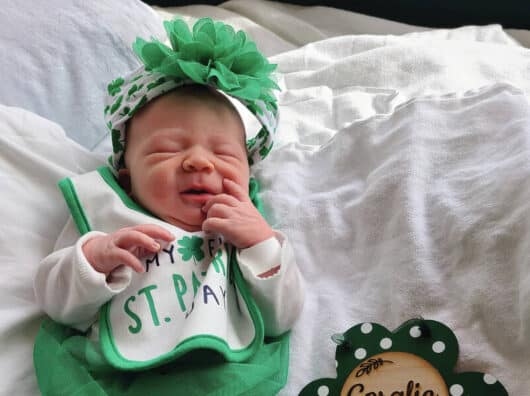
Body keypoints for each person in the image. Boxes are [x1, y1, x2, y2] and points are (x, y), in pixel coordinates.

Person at [33, 17, 303, 396]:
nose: (199, 162)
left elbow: (282, 318)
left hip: (225, 378)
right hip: (112, 378)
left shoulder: (244, 231)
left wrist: (262, 246)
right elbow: (56, 304)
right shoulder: (109, 213)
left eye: (224, 153)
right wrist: (94, 260)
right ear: (126, 177)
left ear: (248, 177)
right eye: (168, 150)